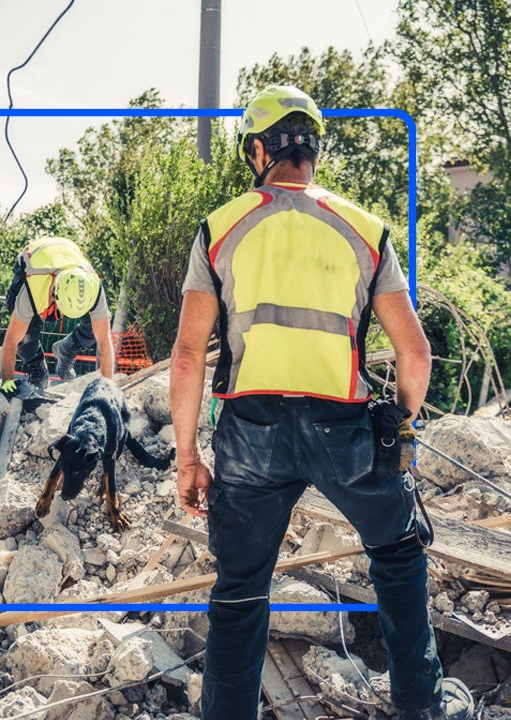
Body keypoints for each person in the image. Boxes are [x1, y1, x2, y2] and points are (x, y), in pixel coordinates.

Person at [169, 86, 473, 720]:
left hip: (250, 431)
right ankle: (423, 707)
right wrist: (403, 429)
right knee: (395, 552)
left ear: (258, 150)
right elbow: (416, 357)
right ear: (312, 149)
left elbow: (188, 355)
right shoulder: (364, 229)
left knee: (241, 588)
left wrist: (188, 457)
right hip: (343, 428)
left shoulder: (220, 230)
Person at [0, 236, 115, 396]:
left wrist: (108, 387)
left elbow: (104, 342)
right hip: (33, 260)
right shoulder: (34, 287)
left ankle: (66, 349)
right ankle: (37, 367)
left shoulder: (94, 289)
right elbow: (12, 340)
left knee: (94, 330)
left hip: (68, 253)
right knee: (24, 336)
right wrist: (7, 379)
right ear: (55, 296)